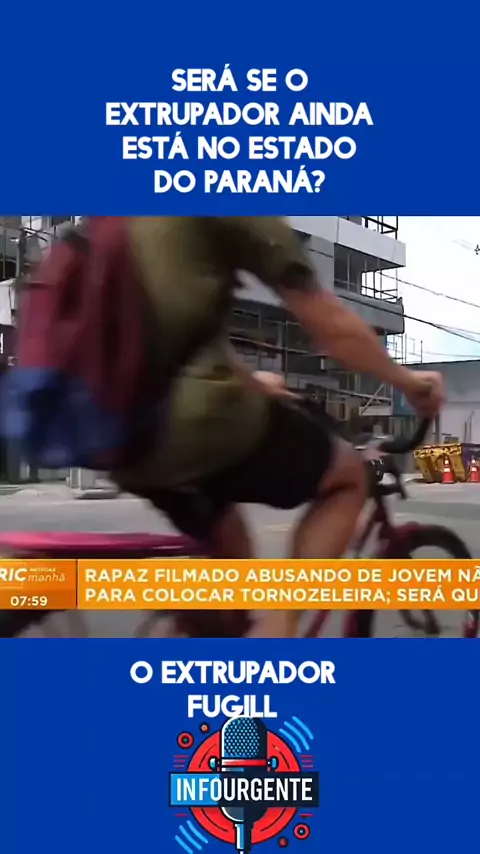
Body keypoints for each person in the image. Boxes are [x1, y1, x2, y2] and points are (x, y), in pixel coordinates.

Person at [114, 217, 445, 638]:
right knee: (349, 475)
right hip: (192, 422)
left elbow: (187, 332)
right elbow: (332, 326)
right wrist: (410, 383)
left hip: (116, 431)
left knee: (231, 558)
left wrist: (252, 383)